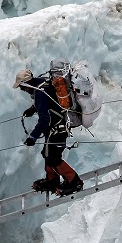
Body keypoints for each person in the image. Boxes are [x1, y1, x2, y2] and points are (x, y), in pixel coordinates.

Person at [15, 67, 83, 195]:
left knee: (53, 157)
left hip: (57, 129)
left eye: (22, 87)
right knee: (47, 154)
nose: (22, 90)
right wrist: (33, 109)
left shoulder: (40, 92)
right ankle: (52, 180)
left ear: (26, 84)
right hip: (55, 129)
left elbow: (44, 120)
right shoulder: (42, 83)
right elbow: (48, 101)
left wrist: (33, 137)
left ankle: (74, 182)